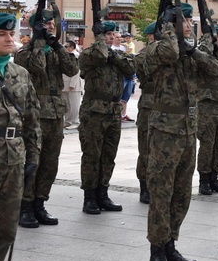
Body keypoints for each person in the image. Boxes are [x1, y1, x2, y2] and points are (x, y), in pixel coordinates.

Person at [144, 3, 218, 261]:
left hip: (189, 131)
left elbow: (217, 71)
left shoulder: (189, 54)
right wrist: (168, 29)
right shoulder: (157, 50)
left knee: (181, 194)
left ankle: (170, 244)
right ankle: (156, 252)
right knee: (161, 193)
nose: (191, 24)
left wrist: (192, 49)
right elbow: (167, 50)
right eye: (186, 20)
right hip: (165, 132)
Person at [15, 12, 78, 228]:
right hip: (35, 114)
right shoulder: (25, 52)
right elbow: (37, 66)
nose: (51, 26)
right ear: (35, 28)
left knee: (51, 162)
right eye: (46, 24)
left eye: (52, 23)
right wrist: (40, 42)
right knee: (33, 160)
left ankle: (40, 203)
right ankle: (26, 206)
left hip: (55, 112)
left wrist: (59, 47)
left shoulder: (53, 50)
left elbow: (72, 69)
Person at [0, 13, 40, 261]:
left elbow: (32, 118)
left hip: (14, 157)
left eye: (11, 34)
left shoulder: (20, 73)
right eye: (2, 35)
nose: (9, 38)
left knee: (7, 227)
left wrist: (33, 156)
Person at [78, 20, 135, 214]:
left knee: (108, 155)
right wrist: (102, 44)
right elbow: (100, 56)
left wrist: (114, 56)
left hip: (112, 110)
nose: (111, 37)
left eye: (112, 34)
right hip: (93, 111)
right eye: (107, 34)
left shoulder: (117, 55)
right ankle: (90, 197)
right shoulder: (90, 54)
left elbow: (130, 69)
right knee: (92, 156)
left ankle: (103, 193)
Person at [196, 25, 218, 196]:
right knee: (207, 144)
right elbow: (203, 58)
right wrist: (207, 41)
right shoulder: (203, 55)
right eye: (216, 37)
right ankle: (204, 179)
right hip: (207, 106)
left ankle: (214, 176)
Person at [134, 22, 157, 204]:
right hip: (149, 106)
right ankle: (144, 187)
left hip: (164, 107)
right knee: (146, 150)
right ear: (150, 37)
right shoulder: (143, 56)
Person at [62, 40, 83, 129]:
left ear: (72, 47)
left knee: (74, 104)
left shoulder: (76, 56)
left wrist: (72, 84)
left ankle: (75, 121)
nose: (65, 48)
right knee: (66, 104)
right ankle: (67, 121)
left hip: (74, 85)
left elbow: (77, 72)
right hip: (64, 83)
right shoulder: (65, 56)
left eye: (66, 46)